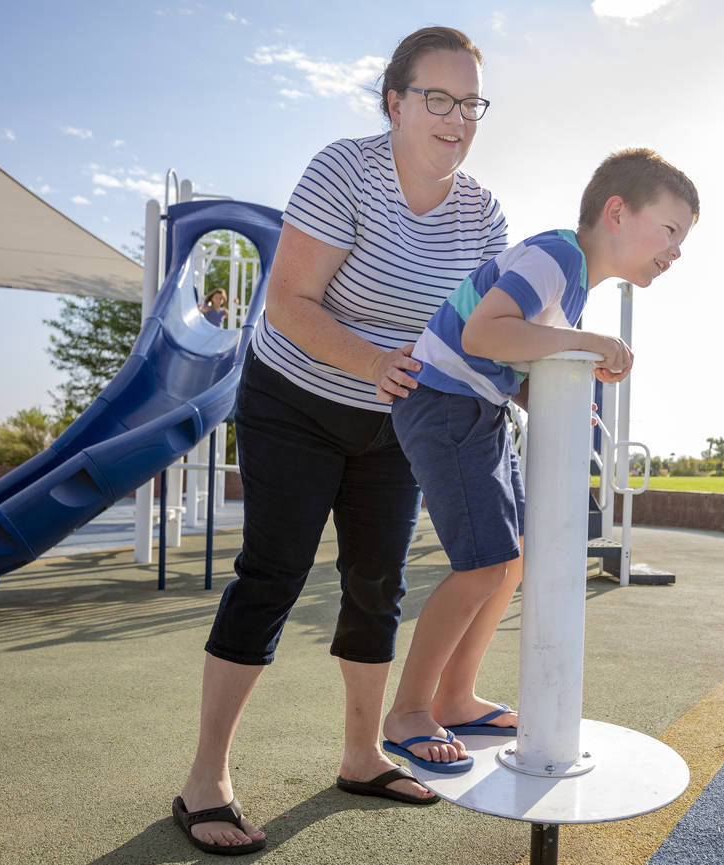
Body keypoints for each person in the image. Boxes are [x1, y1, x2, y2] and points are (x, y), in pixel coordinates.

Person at [173, 26, 514, 856]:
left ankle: (362, 757)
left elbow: (493, 332)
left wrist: (554, 374)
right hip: (295, 395)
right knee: (274, 571)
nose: (457, 117)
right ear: (394, 103)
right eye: (439, 98)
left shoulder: (484, 215)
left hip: (396, 415)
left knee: (377, 581)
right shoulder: (344, 168)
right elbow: (288, 300)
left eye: (471, 102)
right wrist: (373, 362)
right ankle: (205, 779)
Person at [382, 148, 700, 772]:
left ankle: (455, 695)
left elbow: (509, 359)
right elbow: (483, 335)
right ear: (616, 211)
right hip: (444, 401)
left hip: (477, 406)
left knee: (511, 558)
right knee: (482, 565)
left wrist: (548, 396)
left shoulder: (571, 284)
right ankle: (409, 711)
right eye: (670, 230)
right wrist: (586, 342)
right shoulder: (556, 256)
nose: (676, 250)